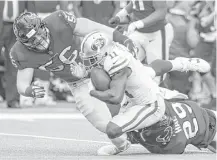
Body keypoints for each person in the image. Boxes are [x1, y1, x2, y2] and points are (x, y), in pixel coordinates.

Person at [10, 10, 137, 152]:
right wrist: (28, 91)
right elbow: (22, 84)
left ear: (43, 25)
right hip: (78, 82)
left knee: (138, 88)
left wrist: (122, 39)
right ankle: (123, 144)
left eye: (39, 34)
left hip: (101, 62)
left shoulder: (59, 21)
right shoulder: (20, 53)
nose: (39, 40)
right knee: (104, 124)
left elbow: (95, 28)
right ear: (23, 43)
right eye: (32, 40)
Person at [80, 31, 211, 155]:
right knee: (148, 72)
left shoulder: (116, 64)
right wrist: (84, 74)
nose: (90, 62)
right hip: (136, 88)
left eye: (93, 58)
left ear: (105, 53)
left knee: (113, 128)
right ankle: (181, 66)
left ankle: (121, 146)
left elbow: (115, 97)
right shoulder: (114, 54)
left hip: (148, 104)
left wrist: (92, 92)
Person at [127, 99, 216, 154]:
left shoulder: (176, 144)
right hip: (206, 113)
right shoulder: (163, 107)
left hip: (210, 133)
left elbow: (152, 145)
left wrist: (137, 137)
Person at [0, 0, 35, 108]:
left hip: (17, 29)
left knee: (14, 64)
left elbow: (31, 11)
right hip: (2, 24)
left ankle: (12, 100)